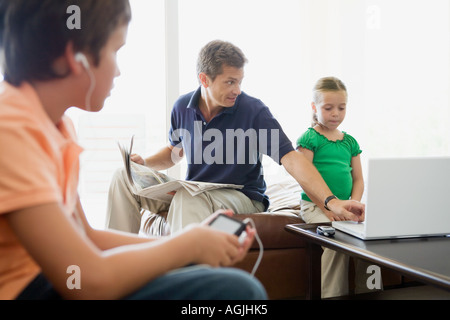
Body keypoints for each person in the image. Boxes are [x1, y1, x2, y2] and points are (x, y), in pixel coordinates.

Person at [0, 0, 267, 300]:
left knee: (227, 286)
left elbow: (87, 237)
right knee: (239, 291)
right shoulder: (12, 131)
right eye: (115, 51)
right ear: (76, 58)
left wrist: (188, 242)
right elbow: (87, 281)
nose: (118, 71)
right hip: (33, 289)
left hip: (56, 280)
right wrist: (187, 246)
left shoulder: (55, 126)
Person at [106, 40, 365, 236]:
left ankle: (186, 288)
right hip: (196, 191)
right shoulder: (182, 107)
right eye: (230, 82)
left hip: (243, 196)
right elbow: (175, 152)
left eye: (240, 81)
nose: (237, 90)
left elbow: (291, 159)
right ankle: (115, 271)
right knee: (123, 177)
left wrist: (330, 202)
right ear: (204, 79)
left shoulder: (253, 110)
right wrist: (144, 164)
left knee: (188, 198)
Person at [296, 76, 378, 298]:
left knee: (368, 243)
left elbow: (359, 179)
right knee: (337, 243)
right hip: (316, 207)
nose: (335, 113)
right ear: (314, 107)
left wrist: (354, 204)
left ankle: (370, 293)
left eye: (341, 108)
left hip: (345, 208)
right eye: (328, 108)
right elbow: (304, 177)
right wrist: (326, 208)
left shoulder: (350, 142)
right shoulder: (310, 138)